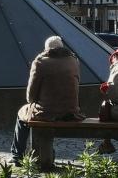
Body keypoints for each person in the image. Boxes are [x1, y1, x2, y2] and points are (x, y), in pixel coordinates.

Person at [8, 36, 84, 167]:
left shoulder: (40, 62)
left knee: (22, 114)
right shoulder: (74, 61)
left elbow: (30, 96)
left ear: (46, 49)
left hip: (46, 113)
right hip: (71, 112)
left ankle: (17, 155)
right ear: (62, 47)